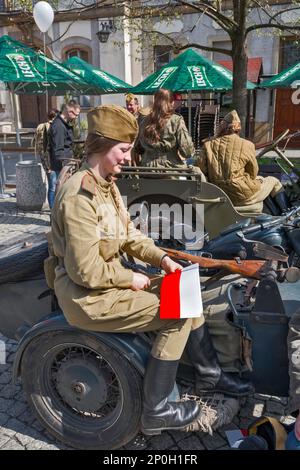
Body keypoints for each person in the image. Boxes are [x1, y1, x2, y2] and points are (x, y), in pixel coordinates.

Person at [51, 104, 253, 436]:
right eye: (123, 150)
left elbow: (129, 235)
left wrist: (162, 260)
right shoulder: (79, 196)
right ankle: (156, 409)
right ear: (101, 146)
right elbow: (84, 271)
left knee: (187, 292)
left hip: (108, 286)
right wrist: (130, 277)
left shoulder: (107, 185)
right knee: (178, 314)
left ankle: (209, 377)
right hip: (88, 298)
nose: (128, 158)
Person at [195, 110, 289, 213]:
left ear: (221, 128)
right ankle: (288, 215)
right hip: (242, 196)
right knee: (273, 181)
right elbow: (253, 173)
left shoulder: (208, 145)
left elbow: (201, 168)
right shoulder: (247, 144)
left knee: (260, 181)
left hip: (218, 193)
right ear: (238, 128)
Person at [134, 89, 195, 169]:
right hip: (171, 170)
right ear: (172, 103)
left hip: (147, 169)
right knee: (198, 175)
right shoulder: (176, 120)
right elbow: (187, 152)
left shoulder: (144, 120)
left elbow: (138, 148)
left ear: (154, 101)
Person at [47, 100, 81, 208]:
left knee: (59, 190)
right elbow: (58, 150)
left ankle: (57, 212)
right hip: (59, 165)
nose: (76, 117)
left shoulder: (63, 124)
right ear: (68, 111)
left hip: (63, 163)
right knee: (55, 189)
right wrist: (65, 166)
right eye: (75, 114)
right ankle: (53, 213)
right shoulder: (59, 126)